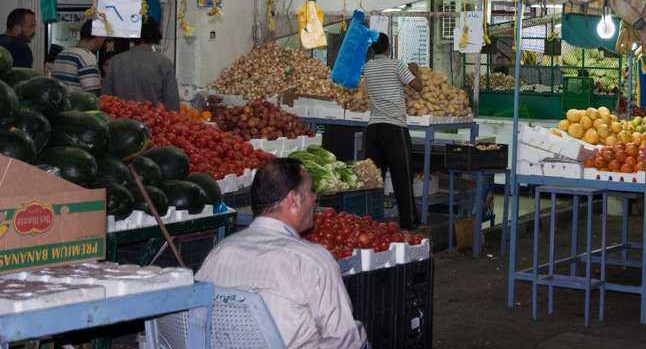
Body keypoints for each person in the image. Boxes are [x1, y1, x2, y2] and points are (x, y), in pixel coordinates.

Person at [197, 159, 369, 349]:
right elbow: (344, 341)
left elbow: (195, 323)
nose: (314, 198)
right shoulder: (313, 263)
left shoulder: (219, 254)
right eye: (311, 191)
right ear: (293, 200)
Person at [362, 32, 424, 231]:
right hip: (394, 129)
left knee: (374, 179)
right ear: (389, 47)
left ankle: (371, 223)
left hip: (373, 130)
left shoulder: (367, 67)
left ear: (372, 50)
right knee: (402, 178)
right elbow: (418, 87)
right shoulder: (397, 65)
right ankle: (409, 224)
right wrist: (413, 70)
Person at [101, 18, 180, 112]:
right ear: (155, 36)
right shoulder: (164, 63)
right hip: (154, 123)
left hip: (121, 122)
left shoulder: (115, 61)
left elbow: (106, 100)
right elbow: (172, 104)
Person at [51, 20, 105, 94]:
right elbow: (93, 93)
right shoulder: (87, 56)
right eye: (103, 40)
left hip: (62, 104)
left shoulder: (62, 54)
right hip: (78, 105)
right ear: (98, 39)